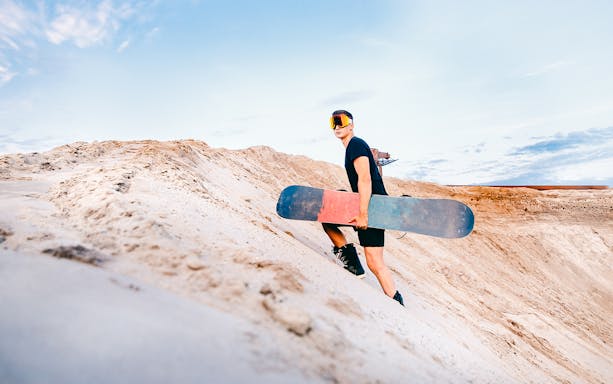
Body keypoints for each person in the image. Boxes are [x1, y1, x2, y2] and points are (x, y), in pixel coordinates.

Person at [323, 109, 404, 306]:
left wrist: (363, 214)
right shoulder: (352, 146)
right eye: (333, 123)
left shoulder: (356, 144)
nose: (338, 126)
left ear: (351, 125)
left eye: (341, 121)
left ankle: (355, 266)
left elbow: (365, 179)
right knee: (375, 263)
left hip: (372, 207)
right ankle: (395, 301)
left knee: (375, 262)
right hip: (373, 205)